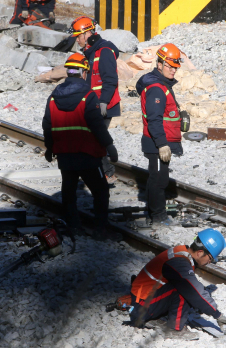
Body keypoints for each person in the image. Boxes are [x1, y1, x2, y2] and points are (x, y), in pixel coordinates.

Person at [42, 53, 120, 243]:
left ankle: (74, 227)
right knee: (101, 191)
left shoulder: (53, 97)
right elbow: (97, 124)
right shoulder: (88, 96)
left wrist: (50, 148)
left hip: (64, 155)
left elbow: (47, 124)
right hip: (87, 155)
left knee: (68, 193)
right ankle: (100, 230)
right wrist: (109, 146)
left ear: (68, 72)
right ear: (84, 72)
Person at [129, 229, 226, 340]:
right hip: (140, 307)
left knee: (186, 286)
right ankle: (174, 330)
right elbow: (193, 290)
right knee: (186, 288)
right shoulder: (180, 262)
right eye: (210, 258)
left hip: (144, 301)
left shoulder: (182, 253)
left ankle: (158, 318)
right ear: (200, 252)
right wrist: (217, 314)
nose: (209, 263)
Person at [136, 43, 184, 227]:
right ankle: (157, 217)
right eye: (170, 66)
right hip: (156, 143)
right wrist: (162, 144)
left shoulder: (161, 85)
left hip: (159, 141)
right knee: (158, 180)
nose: (173, 70)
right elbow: (153, 119)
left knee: (158, 178)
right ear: (160, 64)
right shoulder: (156, 88)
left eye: (175, 67)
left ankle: (155, 214)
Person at [69, 16, 121, 183]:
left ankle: (107, 173)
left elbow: (110, 80)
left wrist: (104, 101)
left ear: (88, 33)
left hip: (104, 104)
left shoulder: (104, 51)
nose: (77, 40)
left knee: (95, 139)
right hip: (95, 104)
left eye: (78, 36)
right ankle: (103, 172)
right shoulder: (91, 52)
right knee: (94, 138)